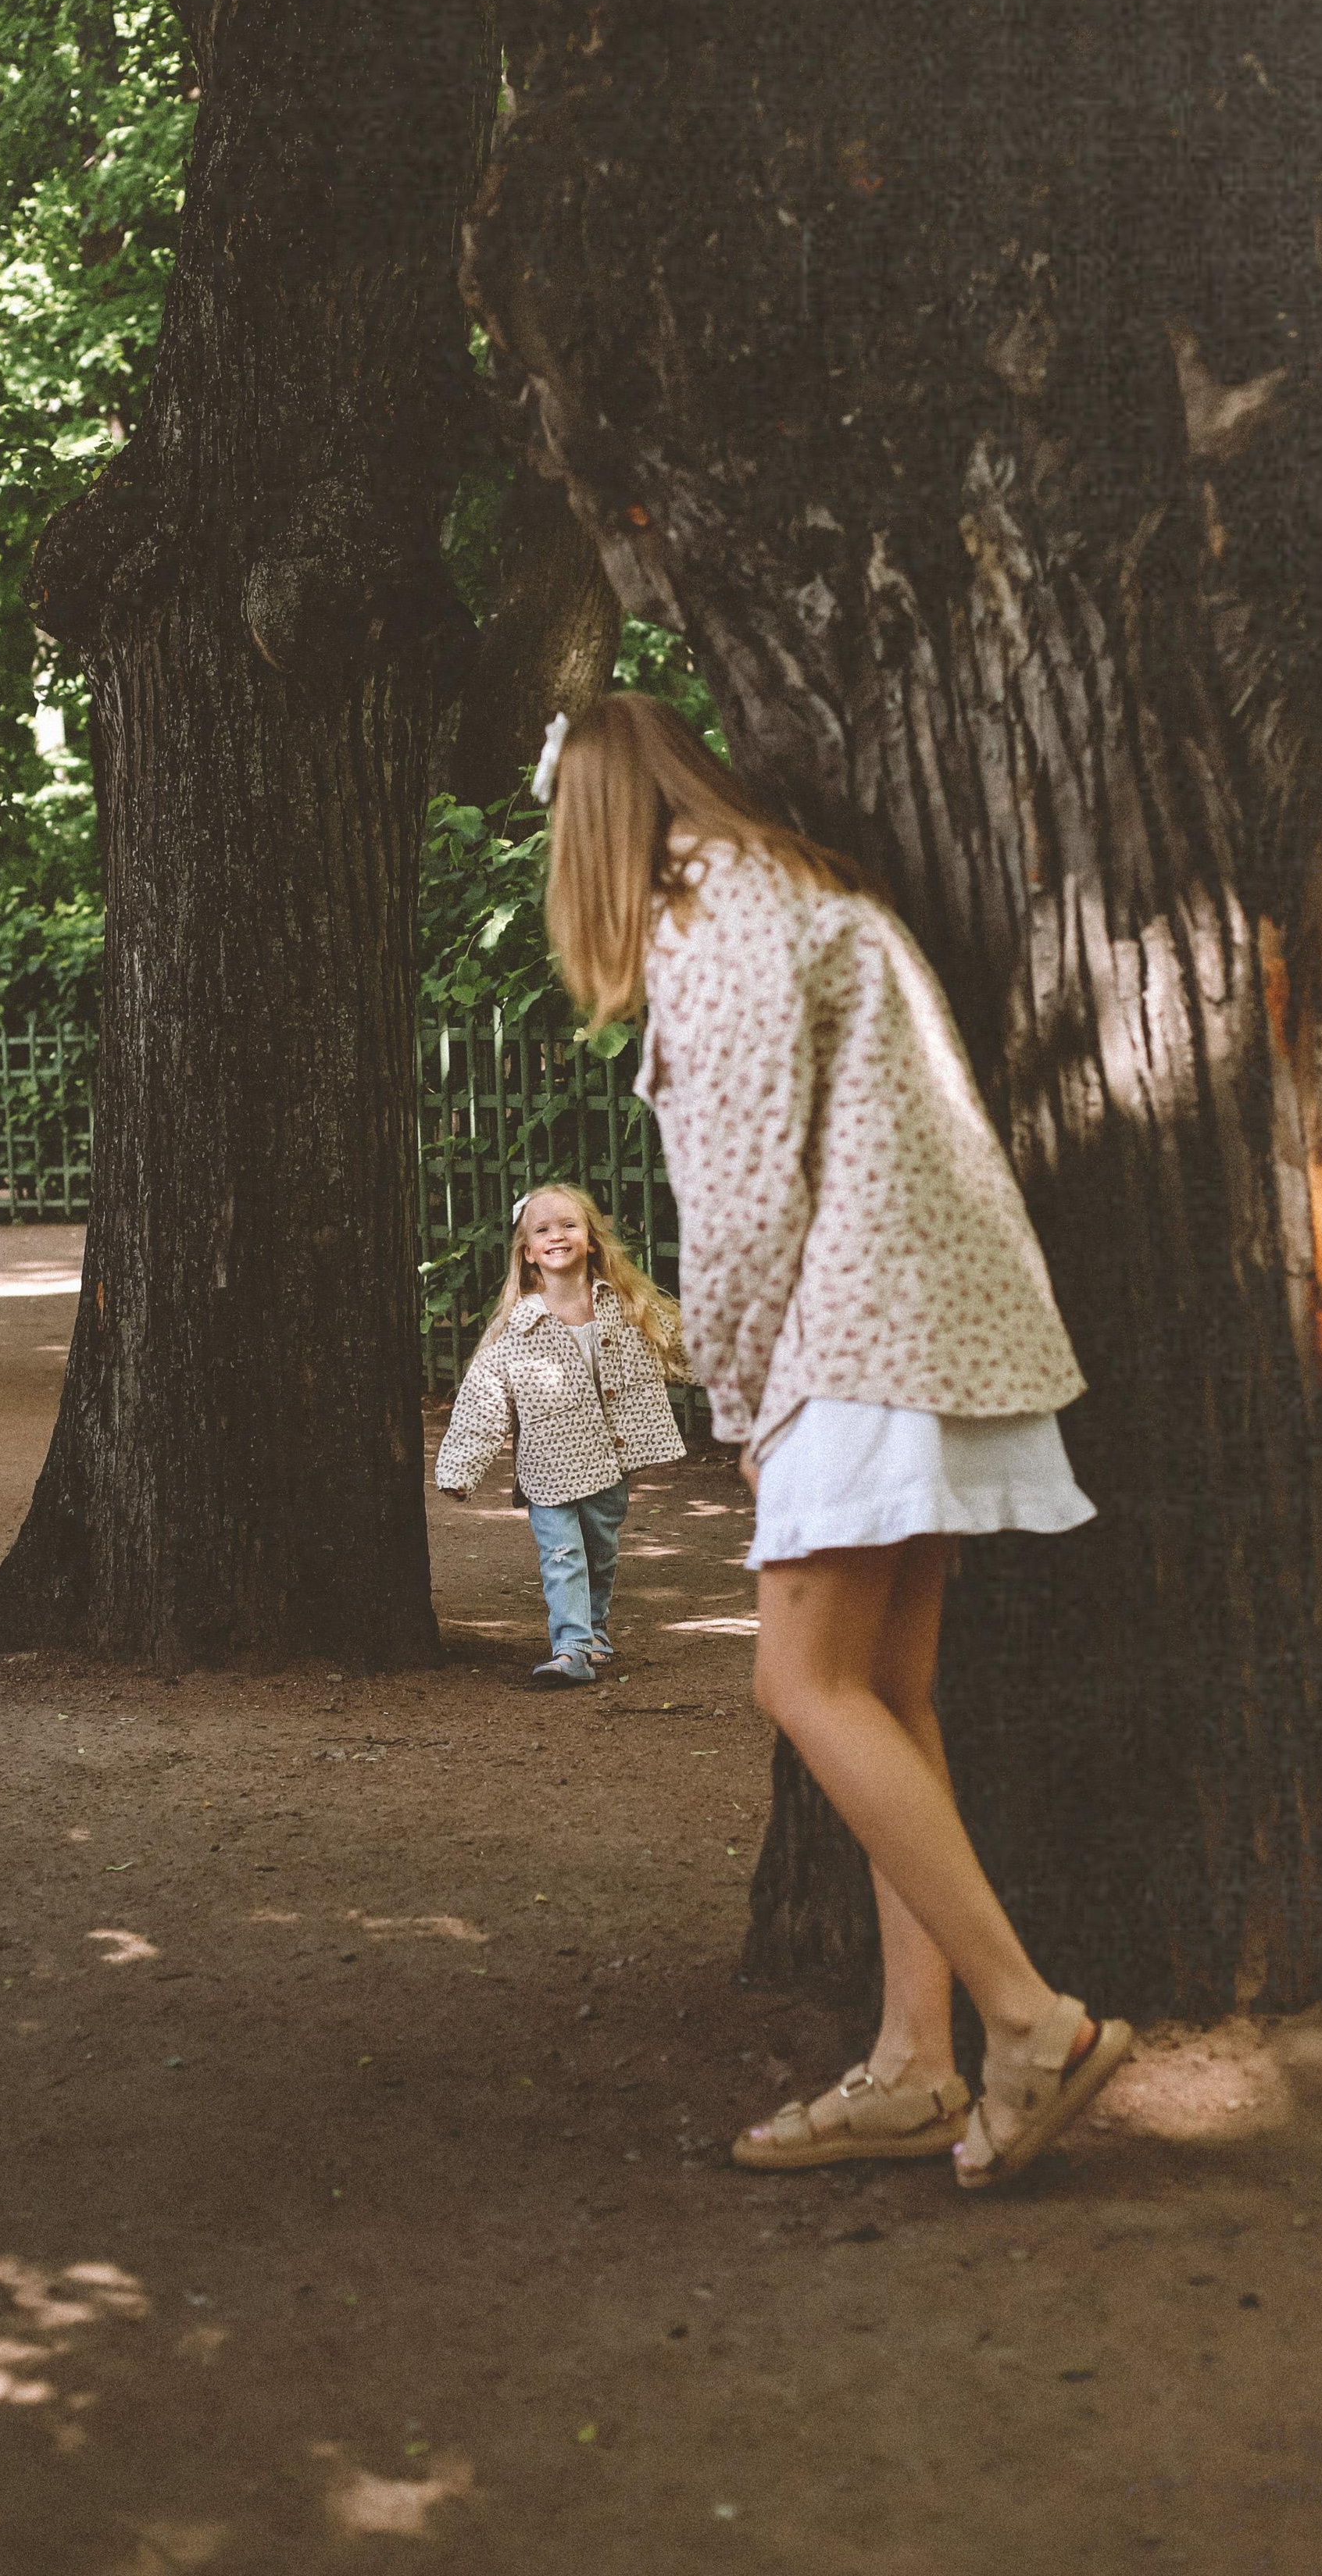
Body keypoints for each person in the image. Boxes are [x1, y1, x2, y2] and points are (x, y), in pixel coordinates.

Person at [541, 692, 1130, 2190]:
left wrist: (740, 1402)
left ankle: (1029, 2024)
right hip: (940, 1318)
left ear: (601, 822)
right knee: (888, 1694)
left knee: (799, 1679)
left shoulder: (710, 914)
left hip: (856, 1335)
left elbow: (743, 1205)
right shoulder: (806, 893)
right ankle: (915, 2066)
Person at [435, 1183, 688, 1687]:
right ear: (527, 1252)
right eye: (543, 1230)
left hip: (610, 1461)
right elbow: (483, 1400)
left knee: (600, 1551)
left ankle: (593, 1633)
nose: (557, 1236)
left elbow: (682, 1346)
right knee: (562, 1555)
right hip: (549, 1468)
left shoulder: (626, 1305)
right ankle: (569, 1646)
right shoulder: (517, 1327)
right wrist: (460, 1468)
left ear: (592, 1239)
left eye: (569, 1225)